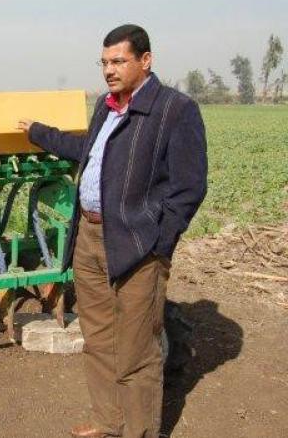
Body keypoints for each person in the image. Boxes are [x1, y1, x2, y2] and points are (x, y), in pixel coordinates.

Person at [16, 24, 207, 438]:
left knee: (137, 348)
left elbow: (190, 187)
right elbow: (88, 151)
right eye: (103, 62)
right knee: (98, 337)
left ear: (145, 60)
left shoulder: (174, 110)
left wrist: (159, 242)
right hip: (88, 237)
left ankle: (138, 431)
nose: (109, 70)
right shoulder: (107, 105)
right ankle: (109, 421)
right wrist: (38, 133)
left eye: (118, 61)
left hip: (137, 244)